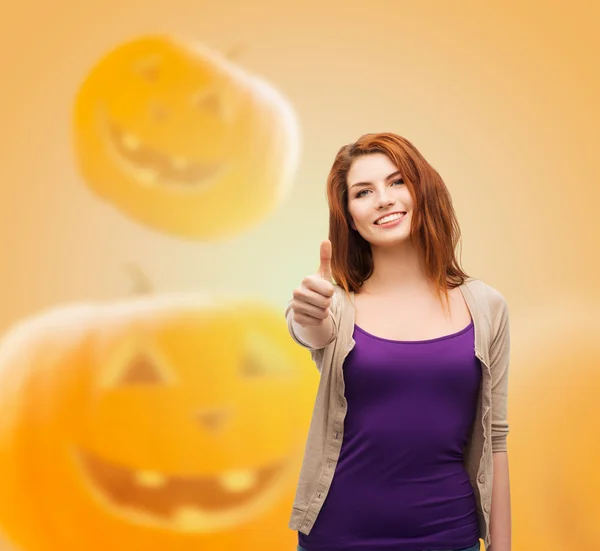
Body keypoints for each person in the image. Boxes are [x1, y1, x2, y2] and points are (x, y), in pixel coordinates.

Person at [284, 132, 511, 551]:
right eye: (363, 192)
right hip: (336, 537)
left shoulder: (486, 306)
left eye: (397, 182)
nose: (383, 199)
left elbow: (495, 437)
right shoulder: (334, 304)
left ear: (422, 190)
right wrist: (306, 315)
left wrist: (502, 547)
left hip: (449, 536)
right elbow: (309, 330)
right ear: (349, 216)